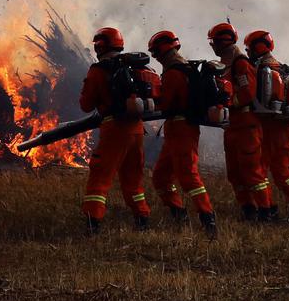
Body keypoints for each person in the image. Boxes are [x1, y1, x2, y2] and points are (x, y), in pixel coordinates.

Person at [77, 27, 156, 234]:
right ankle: (142, 218)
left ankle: (93, 223)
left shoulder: (98, 70)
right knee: (133, 178)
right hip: (137, 129)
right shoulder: (134, 68)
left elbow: (86, 104)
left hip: (115, 129)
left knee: (100, 176)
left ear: (101, 45)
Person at [148, 29, 220, 236]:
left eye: (156, 53)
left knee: (188, 176)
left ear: (162, 51)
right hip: (177, 130)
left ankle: (208, 219)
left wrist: (151, 101)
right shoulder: (186, 69)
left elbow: (167, 102)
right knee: (161, 176)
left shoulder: (173, 73)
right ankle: (178, 213)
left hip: (182, 129)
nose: (156, 58)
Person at [208, 23, 272, 219]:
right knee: (234, 174)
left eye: (214, 42)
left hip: (246, 125)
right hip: (232, 126)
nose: (212, 45)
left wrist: (228, 103)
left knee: (252, 173)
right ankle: (248, 209)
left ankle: (265, 211)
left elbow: (247, 94)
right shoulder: (224, 63)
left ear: (224, 41)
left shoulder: (240, 63)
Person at [248, 30, 289, 222]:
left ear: (258, 47)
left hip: (267, 127)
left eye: (249, 48)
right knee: (282, 170)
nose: (248, 52)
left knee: (261, 168)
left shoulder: (261, 69)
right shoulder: (281, 68)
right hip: (283, 126)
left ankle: (270, 210)